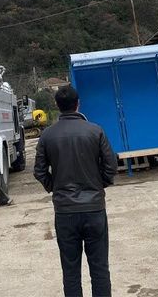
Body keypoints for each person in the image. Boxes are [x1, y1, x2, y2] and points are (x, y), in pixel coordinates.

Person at [33, 85, 117, 297]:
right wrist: (99, 184)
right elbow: (111, 166)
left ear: (56, 106)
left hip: (65, 211)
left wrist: (54, 187)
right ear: (78, 103)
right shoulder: (95, 130)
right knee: (99, 268)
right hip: (94, 208)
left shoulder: (47, 136)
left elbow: (39, 171)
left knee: (70, 271)